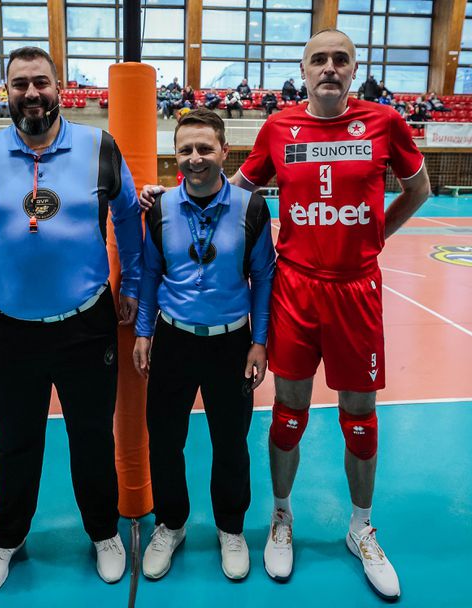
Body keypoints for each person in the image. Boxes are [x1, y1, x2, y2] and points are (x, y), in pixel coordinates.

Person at [140, 28, 431, 600]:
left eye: (340, 59)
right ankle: (280, 517)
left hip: (357, 290)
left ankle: (361, 528)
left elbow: (418, 190)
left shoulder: (385, 122)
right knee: (288, 412)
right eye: (318, 59)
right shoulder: (278, 128)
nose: (329, 67)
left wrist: (375, 237)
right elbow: (226, 190)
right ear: (303, 69)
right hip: (295, 289)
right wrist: (166, 194)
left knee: (360, 416)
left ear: (354, 68)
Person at [0, 45, 142, 596]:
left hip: (86, 326)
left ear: (59, 89)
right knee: (15, 442)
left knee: (91, 438)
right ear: (6, 92)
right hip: (9, 330)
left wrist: (132, 287)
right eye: (20, 84)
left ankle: (103, 532)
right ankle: (6, 538)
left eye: (41, 82)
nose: (31, 93)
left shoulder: (99, 147)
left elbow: (128, 216)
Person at [133, 109, 274, 582]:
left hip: (231, 344)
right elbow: (150, 273)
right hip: (173, 340)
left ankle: (230, 528)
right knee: (165, 440)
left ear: (224, 152)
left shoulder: (252, 208)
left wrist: (259, 341)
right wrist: (144, 332)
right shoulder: (159, 208)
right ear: (175, 155)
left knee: (230, 443)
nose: (195, 158)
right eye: (185, 150)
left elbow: (264, 276)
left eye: (205, 149)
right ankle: (170, 525)